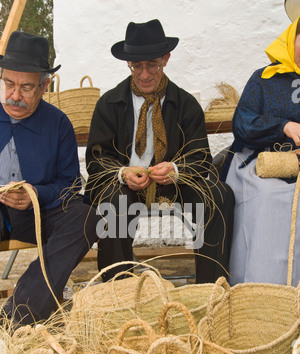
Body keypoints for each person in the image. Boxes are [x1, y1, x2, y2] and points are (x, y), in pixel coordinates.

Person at [86, 19, 235, 283]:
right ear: (128, 64)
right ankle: (117, 291)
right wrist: (123, 173)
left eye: (152, 64)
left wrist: (175, 170)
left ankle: (211, 288)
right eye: (137, 66)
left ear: (165, 59)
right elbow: (96, 161)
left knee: (219, 195)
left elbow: (201, 157)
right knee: (115, 203)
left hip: (174, 185)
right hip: (125, 187)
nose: (144, 74)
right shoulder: (109, 104)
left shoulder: (186, 104)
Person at [0, 31, 97, 326]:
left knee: (86, 216)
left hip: (36, 215)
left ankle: (18, 315)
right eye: (9, 84)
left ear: (45, 86)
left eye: (26, 87)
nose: (15, 96)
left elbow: (70, 185)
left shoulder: (58, 123)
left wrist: (35, 195)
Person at [222, 15, 300, 286]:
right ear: (292, 39)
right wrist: (284, 126)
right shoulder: (264, 78)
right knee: (269, 198)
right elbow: (242, 123)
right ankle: (262, 289)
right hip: (261, 162)